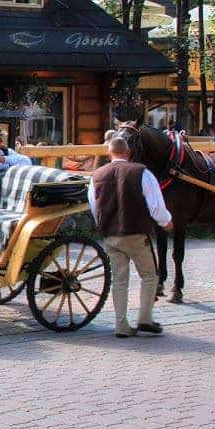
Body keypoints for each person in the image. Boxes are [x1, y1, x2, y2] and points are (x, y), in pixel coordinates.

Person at [88, 137, 173, 338]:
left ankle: (121, 325)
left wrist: (104, 225)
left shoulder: (97, 175)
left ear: (109, 153)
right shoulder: (142, 173)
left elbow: (94, 206)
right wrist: (166, 222)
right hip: (136, 233)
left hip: (111, 235)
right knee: (150, 276)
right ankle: (144, 318)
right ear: (128, 153)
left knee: (119, 280)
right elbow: (155, 205)